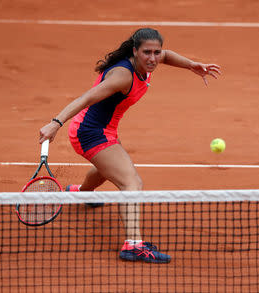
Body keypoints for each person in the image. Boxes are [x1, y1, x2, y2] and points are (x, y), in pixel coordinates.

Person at [39, 28, 221, 264]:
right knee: (131, 182)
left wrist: (191, 65)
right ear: (135, 51)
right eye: (147, 53)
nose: (153, 58)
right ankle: (133, 245)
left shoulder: (150, 62)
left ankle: (80, 193)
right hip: (90, 133)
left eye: (156, 52)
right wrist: (55, 123)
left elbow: (167, 55)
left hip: (106, 129)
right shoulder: (122, 76)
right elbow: (85, 98)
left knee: (110, 169)